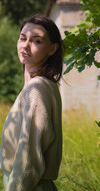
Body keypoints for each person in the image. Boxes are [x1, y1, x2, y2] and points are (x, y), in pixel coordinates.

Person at [0, 14, 63, 191]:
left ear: (52, 49)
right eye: (22, 38)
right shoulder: (41, 85)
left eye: (37, 41)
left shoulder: (37, 88)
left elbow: (29, 158)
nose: (25, 45)